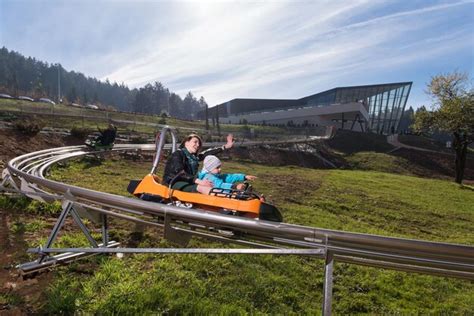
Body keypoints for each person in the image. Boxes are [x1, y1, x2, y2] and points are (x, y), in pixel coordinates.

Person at [162, 133, 235, 194]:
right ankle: (227, 198)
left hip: (187, 181)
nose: (197, 145)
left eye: (199, 143)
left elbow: (207, 153)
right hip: (173, 182)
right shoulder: (177, 154)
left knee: (209, 185)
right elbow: (180, 172)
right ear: (186, 143)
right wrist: (200, 182)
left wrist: (225, 147)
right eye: (195, 142)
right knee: (202, 188)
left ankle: (230, 194)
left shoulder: (193, 157)